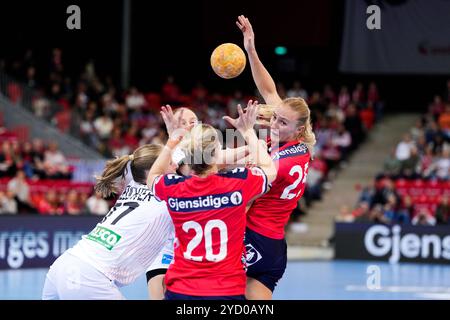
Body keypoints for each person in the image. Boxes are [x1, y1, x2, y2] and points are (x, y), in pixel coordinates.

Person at [147, 101, 277, 300]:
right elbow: (270, 170)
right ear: (216, 154)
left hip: (182, 289)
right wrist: (249, 132)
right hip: (226, 290)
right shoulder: (238, 183)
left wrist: (172, 139)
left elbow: (153, 176)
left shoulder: (173, 187)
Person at [237, 15, 316, 300]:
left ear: (299, 129)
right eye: (276, 117)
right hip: (272, 244)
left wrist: (245, 136)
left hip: (254, 238)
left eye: (282, 122)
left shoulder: (283, 162)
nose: (273, 122)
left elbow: (246, 193)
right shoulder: (295, 142)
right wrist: (251, 49)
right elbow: (269, 90)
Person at [42, 144, 177, 299]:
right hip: (89, 276)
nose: (176, 165)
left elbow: (140, 160)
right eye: (170, 161)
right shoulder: (169, 196)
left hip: (64, 265)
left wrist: (173, 138)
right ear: (153, 169)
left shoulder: (132, 183)